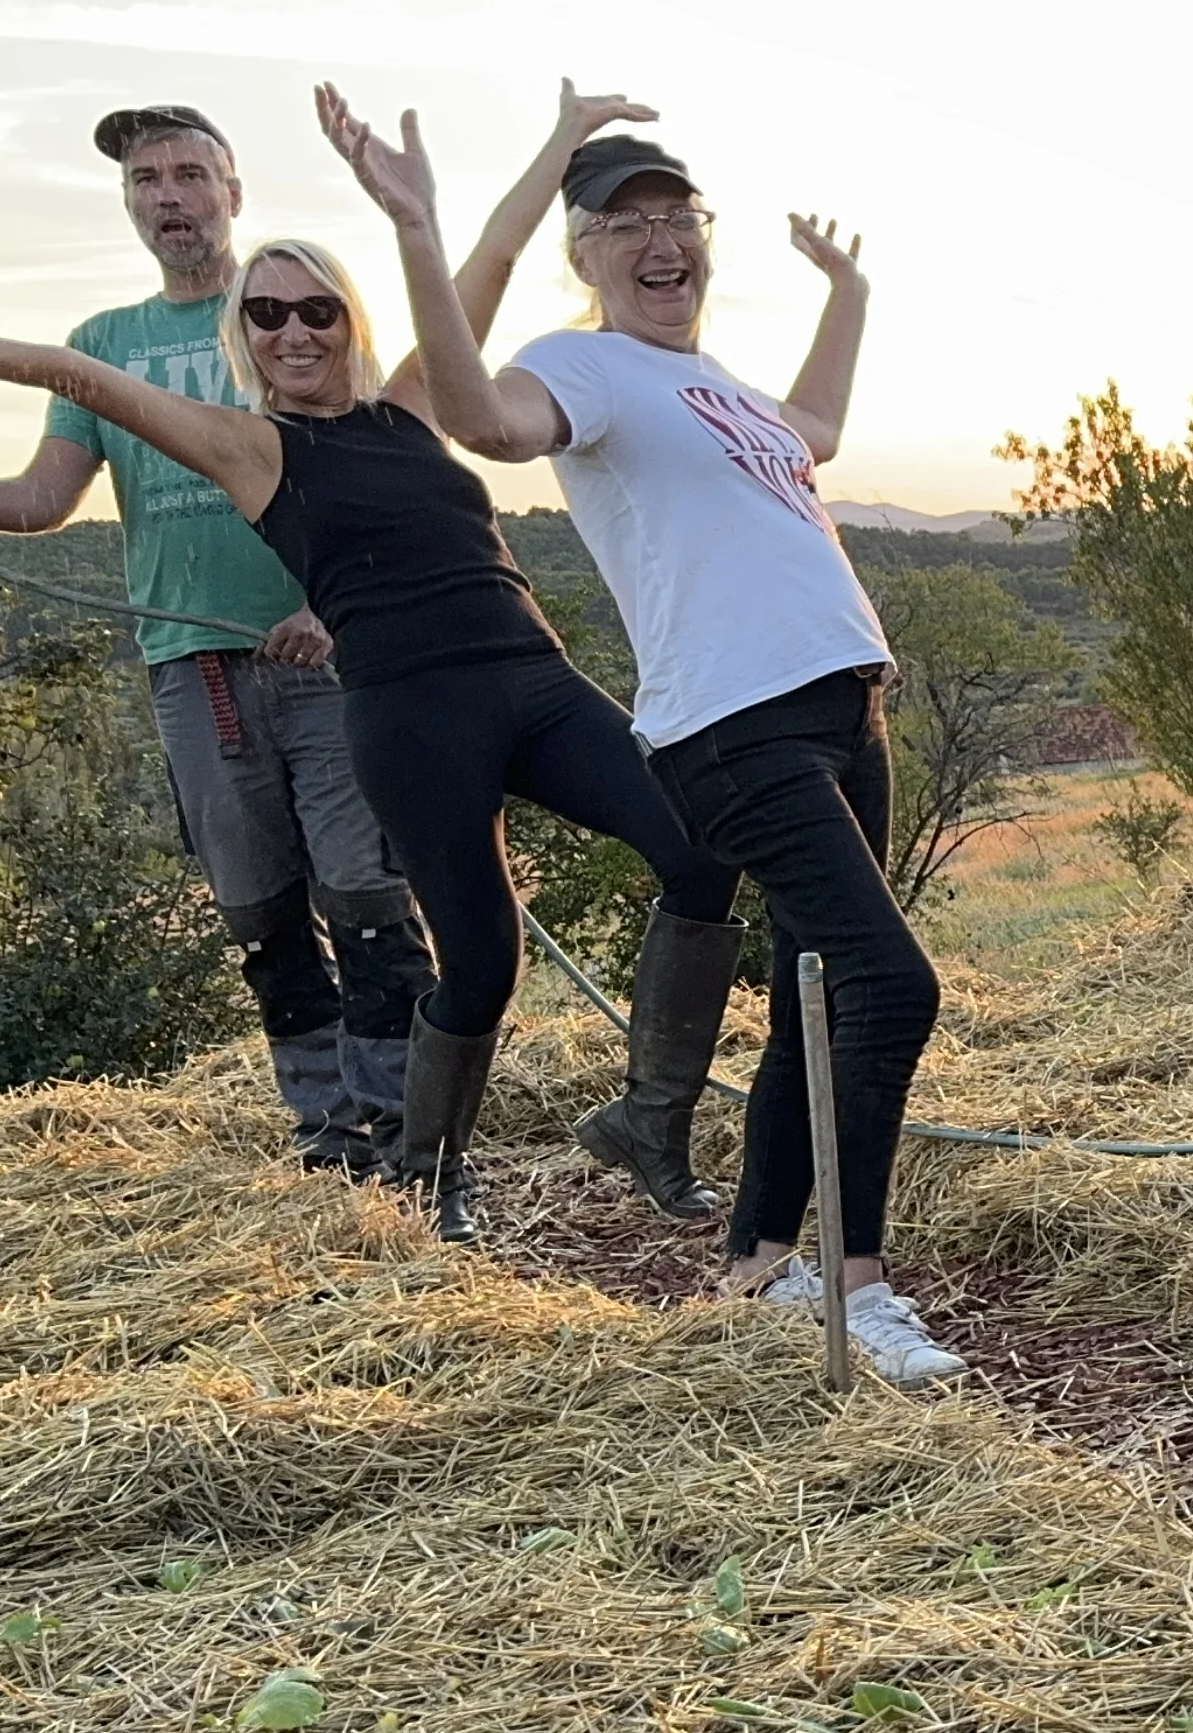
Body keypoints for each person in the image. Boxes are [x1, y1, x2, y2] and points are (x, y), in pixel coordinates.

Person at [0, 91, 744, 1247]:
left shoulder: (410, 405)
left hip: (531, 680)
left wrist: (561, 137)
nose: (293, 331)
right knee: (476, 958)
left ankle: (648, 1121)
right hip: (409, 715)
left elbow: (483, 253)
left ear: (348, 317)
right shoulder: (249, 445)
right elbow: (71, 377)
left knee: (699, 849)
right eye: (268, 314)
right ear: (246, 338)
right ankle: (432, 1175)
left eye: (315, 308)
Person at [407, 83, 964, 1389]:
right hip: (733, 723)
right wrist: (431, 238)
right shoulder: (579, 367)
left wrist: (850, 296)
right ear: (585, 257)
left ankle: (754, 1272)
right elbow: (479, 419)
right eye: (623, 224)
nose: (661, 242)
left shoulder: (714, 386)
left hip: (839, 704)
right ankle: (853, 1282)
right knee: (890, 985)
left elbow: (813, 437)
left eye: (677, 216)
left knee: (816, 1005)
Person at [0, 105, 433, 1175]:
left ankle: (409, 1135)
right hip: (195, 669)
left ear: (232, 191)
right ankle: (326, 1138)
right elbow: (46, 499)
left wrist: (333, 605)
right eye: (146, 181)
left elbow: (382, 474)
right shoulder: (104, 346)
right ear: (130, 204)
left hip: (328, 660)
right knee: (262, 914)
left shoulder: (293, 309)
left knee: (366, 898)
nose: (168, 197)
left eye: (188, 175)